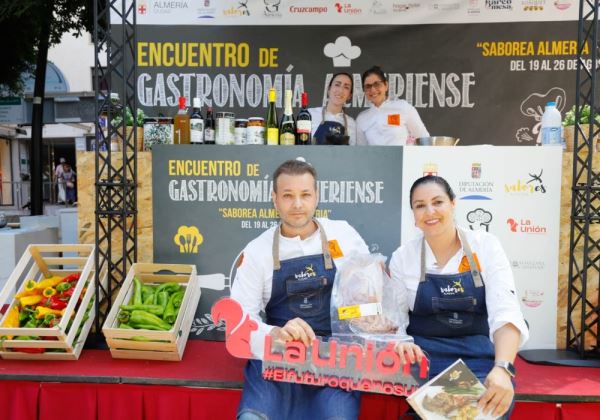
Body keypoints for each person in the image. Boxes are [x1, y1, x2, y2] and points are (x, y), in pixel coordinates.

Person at [231, 159, 369, 420]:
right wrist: (276, 333)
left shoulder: (345, 236)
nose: (297, 204)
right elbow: (240, 322)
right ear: (274, 199)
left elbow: (369, 292)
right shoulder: (257, 251)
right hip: (275, 360)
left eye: (305, 195)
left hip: (334, 360)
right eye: (288, 195)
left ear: (316, 196)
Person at [390, 175, 529, 418]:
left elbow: (506, 312)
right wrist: (400, 340)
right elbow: (396, 319)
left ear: (453, 204)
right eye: (420, 205)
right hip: (424, 362)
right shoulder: (404, 257)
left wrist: (503, 369)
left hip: (478, 359)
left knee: (479, 411)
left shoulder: (485, 246)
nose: (430, 211)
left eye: (438, 202)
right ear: (413, 215)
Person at [356, 66, 429, 146]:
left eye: (377, 84)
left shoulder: (402, 107)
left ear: (386, 85)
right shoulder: (361, 118)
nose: (373, 90)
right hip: (374, 158)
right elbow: (361, 150)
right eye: (368, 86)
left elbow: (423, 138)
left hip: (401, 158)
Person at [309, 72, 356, 145]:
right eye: (337, 85)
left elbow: (354, 153)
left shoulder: (351, 123)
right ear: (329, 89)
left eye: (346, 87)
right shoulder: (310, 114)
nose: (340, 90)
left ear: (349, 96)